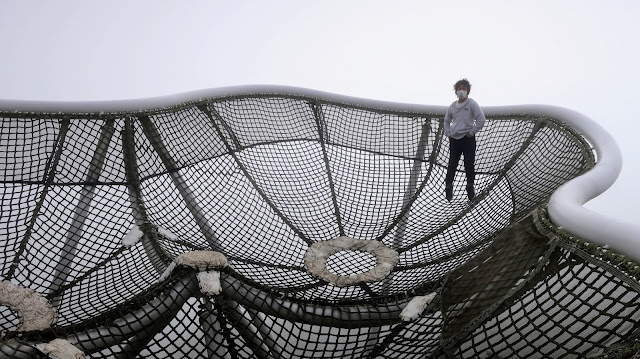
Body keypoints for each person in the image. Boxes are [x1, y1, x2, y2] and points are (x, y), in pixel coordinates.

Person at [443, 78, 486, 201]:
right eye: (459, 88)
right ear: (456, 91)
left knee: (469, 163)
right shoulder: (452, 106)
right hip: (454, 139)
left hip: (468, 139)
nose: (461, 90)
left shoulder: (471, 103)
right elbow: (446, 121)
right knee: (452, 164)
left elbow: (481, 119)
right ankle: (448, 186)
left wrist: (472, 132)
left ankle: (470, 187)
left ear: (468, 91)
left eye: (464, 88)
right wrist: (448, 133)